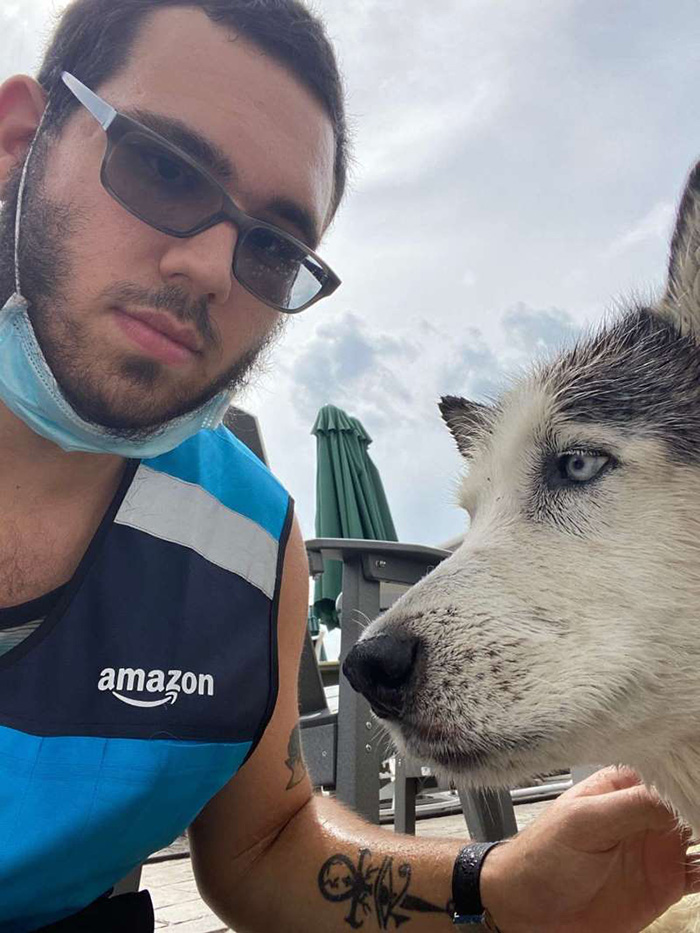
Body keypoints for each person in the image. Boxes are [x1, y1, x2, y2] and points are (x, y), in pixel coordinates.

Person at [0, 1, 695, 930]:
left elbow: (267, 845)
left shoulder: (247, 536)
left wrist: (495, 884)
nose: (211, 264)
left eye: (274, 244)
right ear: (16, 143)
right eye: (163, 167)